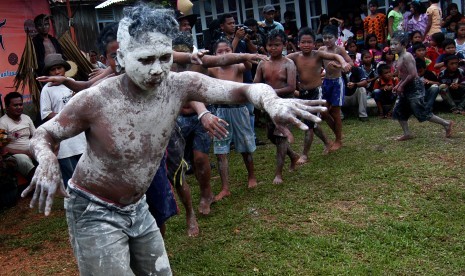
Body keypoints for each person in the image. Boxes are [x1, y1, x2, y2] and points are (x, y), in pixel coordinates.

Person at [22, 4, 326, 275]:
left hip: (137, 207)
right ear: (122, 58)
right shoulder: (96, 99)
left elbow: (246, 90)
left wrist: (272, 103)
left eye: (165, 57)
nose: (157, 69)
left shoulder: (178, 85)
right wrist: (47, 159)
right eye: (146, 59)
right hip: (94, 209)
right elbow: (44, 133)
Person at [287, 27, 351, 164]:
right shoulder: (295, 57)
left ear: (314, 43)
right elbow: (280, 59)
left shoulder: (318, 54)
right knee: (313, 124)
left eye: (309, 42)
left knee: (309, 125)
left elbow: (336, 56)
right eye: (303, 42)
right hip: (303, 93)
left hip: (317, 92)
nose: (306, 45)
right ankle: (328, 142)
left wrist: (343, 63)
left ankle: (304, 154)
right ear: (298, 43)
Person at [207, 39, 257, 200]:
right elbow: (201, 68)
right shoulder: (213, 69)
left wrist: (242, 56)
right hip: (221, 112)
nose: (224, 54)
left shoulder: (238, 66)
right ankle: (225, 187)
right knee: (221, 151)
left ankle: (252, 176)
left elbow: (248, 65)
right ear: (214, 55)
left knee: (245, 147)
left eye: (227, 50)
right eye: (219, 52)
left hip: (239, 110)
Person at [253, 29, 299, 184]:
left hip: (284, 104)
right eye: (270, 45)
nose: (273, 48)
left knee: (280, 138)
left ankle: (278, 174)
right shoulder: (262, 63)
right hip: (268, 105)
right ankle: (292, 155)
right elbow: (256, 83)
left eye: (277, 45)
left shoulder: (288, 63)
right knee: (271, 135)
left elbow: (291, 87)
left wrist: (271, 92)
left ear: (284, 45)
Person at [390, 31, 453, 140]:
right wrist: (399, 85)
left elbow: (413, 74)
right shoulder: (399, 57)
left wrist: (401, 85)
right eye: (391, 44)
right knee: (399, 110)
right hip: (406, 86)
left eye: (395, 44)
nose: (392, 47)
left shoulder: (407, 56)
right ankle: (407, 133)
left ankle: (446, 124)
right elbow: (404, 75)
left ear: (404, 45)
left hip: (414, 86)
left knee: (421, 111)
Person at [39, 54, 86, 187]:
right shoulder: (47, 89)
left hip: (80, 135)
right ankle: (72, 204)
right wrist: (65, 116)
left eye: (59, 68)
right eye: (52, 70)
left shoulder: (71, 82)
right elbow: (46, 113)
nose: (56, 72)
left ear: (64, 69)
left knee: (85, 172)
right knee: (70, 177)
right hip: (63, 139)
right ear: (49, 72)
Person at [319, 25, 354, 151]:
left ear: (336, 38)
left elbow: (350, 63)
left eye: (330, 38)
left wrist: (339, 65)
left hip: (337, 82)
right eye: (325, 38)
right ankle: (338, 134)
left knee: (335, 111)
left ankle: (338, 140)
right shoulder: (321, 49)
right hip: (326, 82)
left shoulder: (339, 50)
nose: (327, 40)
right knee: (323, 111)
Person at [0, 92, 36, 181]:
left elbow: (36, 137)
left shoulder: (26, 118)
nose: (19, 107)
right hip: (14, 156)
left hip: (30, 151)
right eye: (15, 105)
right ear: (7, 107)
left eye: (20, 104)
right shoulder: (2, 123)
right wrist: (25, 152)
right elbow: (3, 149)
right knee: (24, 159)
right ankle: (37, 186)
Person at [343, 53, 369, 121]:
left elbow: (365, 82)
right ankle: (340, 116)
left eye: (351, 59)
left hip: (355, 96)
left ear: (354, 60)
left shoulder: (357, 69)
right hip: (343, 98)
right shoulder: (338, 71)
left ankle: (363, 115)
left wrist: (355, 84)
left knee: (362, 89)